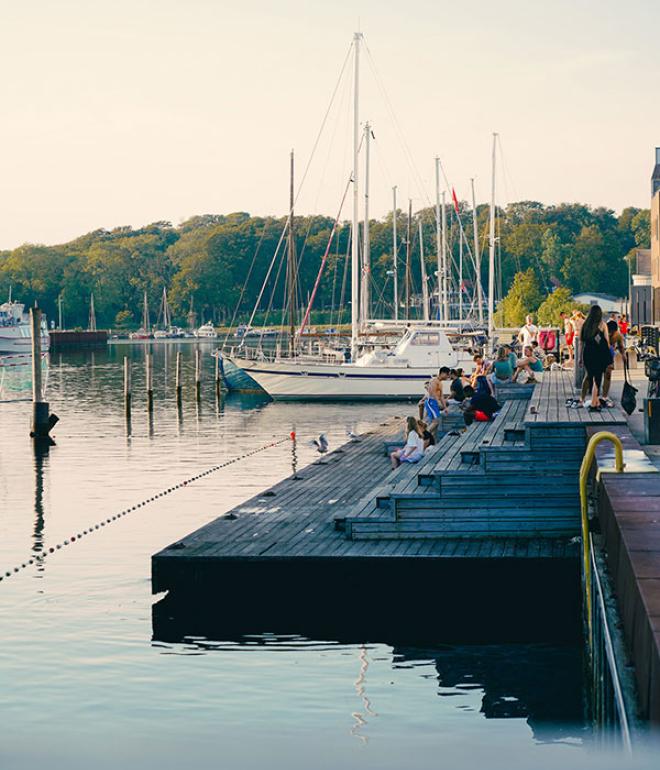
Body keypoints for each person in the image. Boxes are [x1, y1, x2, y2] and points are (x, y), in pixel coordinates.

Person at [579, 305, 612, 412]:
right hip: (599, 354)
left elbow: (581, 343)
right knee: (597, 378)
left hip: (587, 353)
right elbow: (607, 342)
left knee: (588, 376)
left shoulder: (585, 325)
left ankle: (582, 399)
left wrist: (580, 357)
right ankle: (594, 402)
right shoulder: (602, 325)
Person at [600, 319, 625, 407]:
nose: (610, 334)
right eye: (609, 332)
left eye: (612, 332)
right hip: (599, 353)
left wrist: (623, 356)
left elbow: (621, 347)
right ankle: (595, 394)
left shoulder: (618, 335)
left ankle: (604, 396)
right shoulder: (601, 332)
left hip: (609, 355)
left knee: (608, 374)